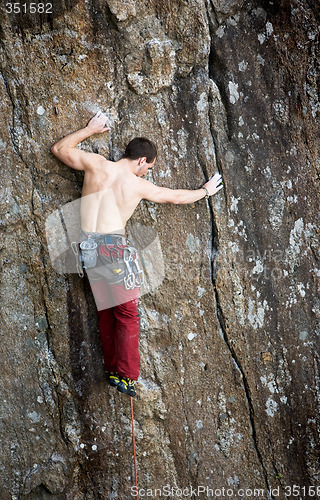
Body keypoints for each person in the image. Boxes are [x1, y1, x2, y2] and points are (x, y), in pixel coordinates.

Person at [50, 111, 223, 397]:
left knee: (107, 311)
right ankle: (127, 376)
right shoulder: (137, 184)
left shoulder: (96, 165)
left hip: (87, 252)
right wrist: (204, 192)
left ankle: (113, 369)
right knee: (128, 314)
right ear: (141, 160)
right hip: (112, 250)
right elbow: (176, 196)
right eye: (149, 167)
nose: (147, 173)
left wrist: (90, 130)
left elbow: (59, 149)